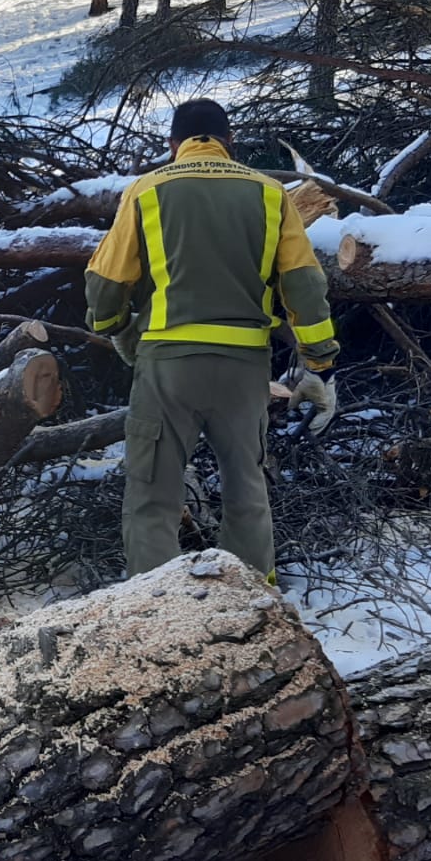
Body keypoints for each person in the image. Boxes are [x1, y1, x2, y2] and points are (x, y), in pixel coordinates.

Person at [84, 98, 338, 582]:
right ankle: (253, 605)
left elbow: (104, 284)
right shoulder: (269, 193)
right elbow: (304, 284)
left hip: (166, 366)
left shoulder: (146, 190)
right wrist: (319, 359)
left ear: (174, 145)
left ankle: (153, 612)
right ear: (229, 142)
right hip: (243, 366)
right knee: (246, 490)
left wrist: (113, 327)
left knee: (152, 496)